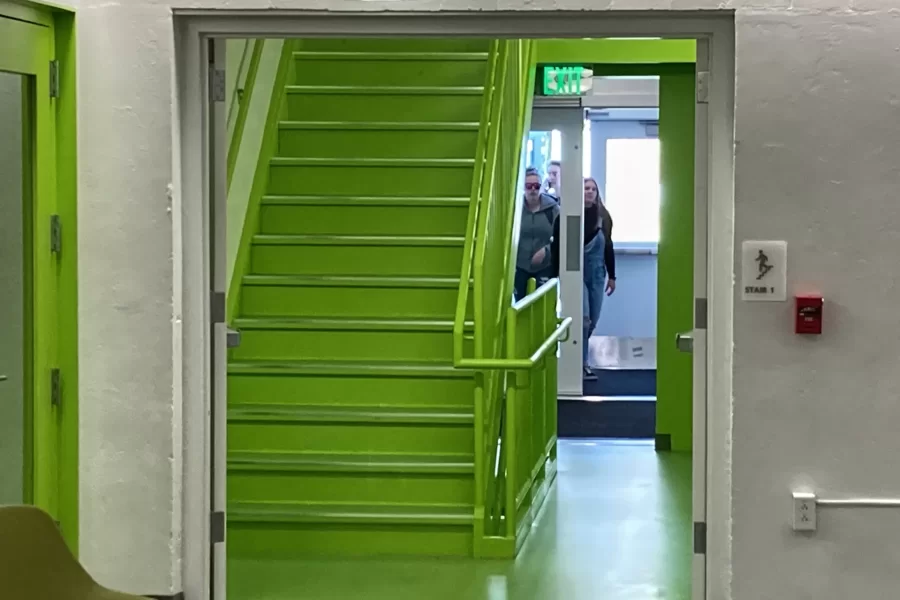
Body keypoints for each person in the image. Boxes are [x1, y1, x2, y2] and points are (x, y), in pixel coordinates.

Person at [551, 177, 616, 381]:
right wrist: (556, 277)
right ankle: (581, 363)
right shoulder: (567, 217)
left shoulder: (604, 217)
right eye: (586, 188)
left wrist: (612, 276)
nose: (589, 192)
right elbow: (557, 248)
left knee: (593, 320)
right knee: (583, 319)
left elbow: (608, 247)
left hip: (597, 274)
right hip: (574, 273)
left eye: (593, 189)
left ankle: (576, 353)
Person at [515, 168, 560, 300]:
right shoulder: (516, 208)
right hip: (520, 265)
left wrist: (546, 251)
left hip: (545, 266)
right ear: (523, 188)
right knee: (520, 305)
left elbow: (561, 237)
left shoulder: (553, 209)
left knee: (543, 304)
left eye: (536, 186)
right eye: (529, 186)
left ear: (541, 187)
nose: (533, 190)